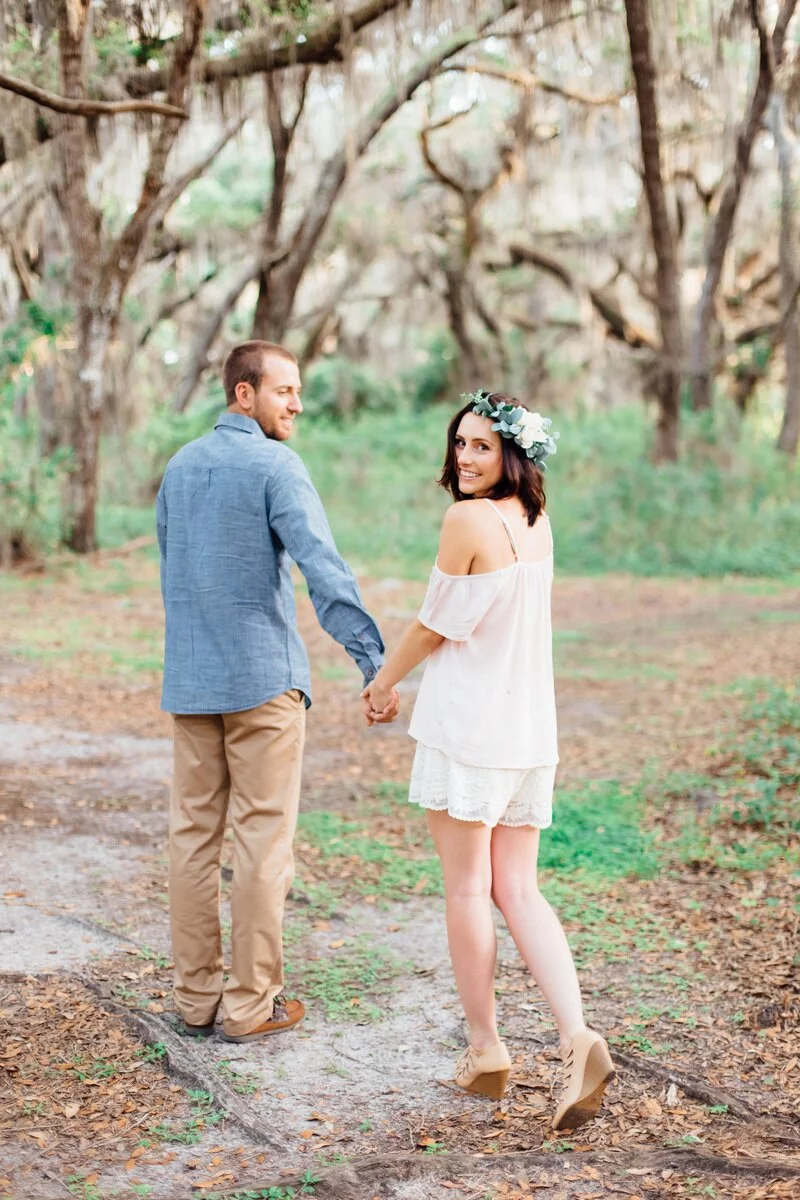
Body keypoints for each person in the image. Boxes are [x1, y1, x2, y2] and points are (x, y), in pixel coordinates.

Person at [362, 390, 614, 1130]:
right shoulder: (533, 520)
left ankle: (486, 1048)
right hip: (528, 730)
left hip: (469, 730)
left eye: (482, 445)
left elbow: (434, 624)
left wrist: (382, 681)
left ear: (514, 452)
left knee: (470, 891)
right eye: (460, 444)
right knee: (521, 890)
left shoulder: (467, 520)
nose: (466, 458)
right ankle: (578, 1036)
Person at [157, 340, 399, 1045]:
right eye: (284, 391)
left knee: (192, 840)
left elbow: (175, 569)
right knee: (263, 842)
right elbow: (324, 569)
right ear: (244, 394)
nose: (296, 405)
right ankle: (249, 1006)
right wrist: (371, 661)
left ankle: (196, 1000)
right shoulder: (275, 465)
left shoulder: (179, 466)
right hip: (263, 682)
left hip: (193, 679)